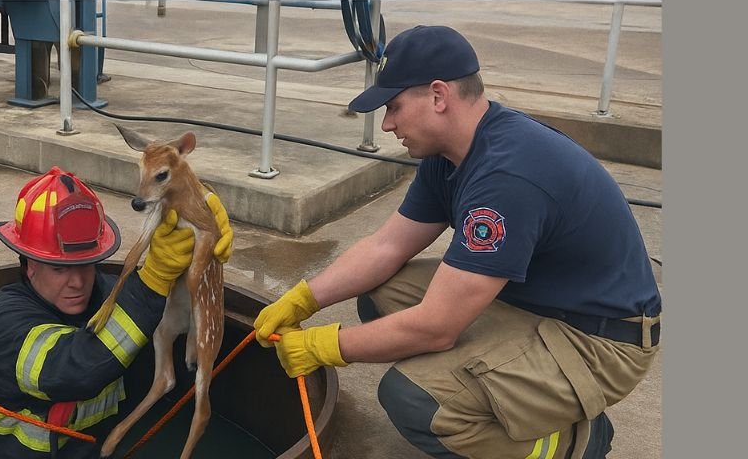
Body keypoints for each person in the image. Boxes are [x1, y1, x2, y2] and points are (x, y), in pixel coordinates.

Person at [254, 25, 661, 459]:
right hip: (535, 303)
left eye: (393, 107)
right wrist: (304, 299)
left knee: (416, 401)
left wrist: (324, 346)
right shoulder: (452, 153)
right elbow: (385, 247)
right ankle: (497, 389)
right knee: (381, 292)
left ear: (438, 96)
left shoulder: (508, 176)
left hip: (599, 341)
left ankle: (575, 443)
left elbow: (437, 326)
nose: (387, 124)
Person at [0, 167, 233, 458]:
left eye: (86, 264)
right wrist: (154, 278)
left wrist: (197, 212)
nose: (77, 282)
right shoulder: (5, 321)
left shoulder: (108, 294)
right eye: (60, 269)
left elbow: (168, 339)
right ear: (30, 265)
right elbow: (76, 371)